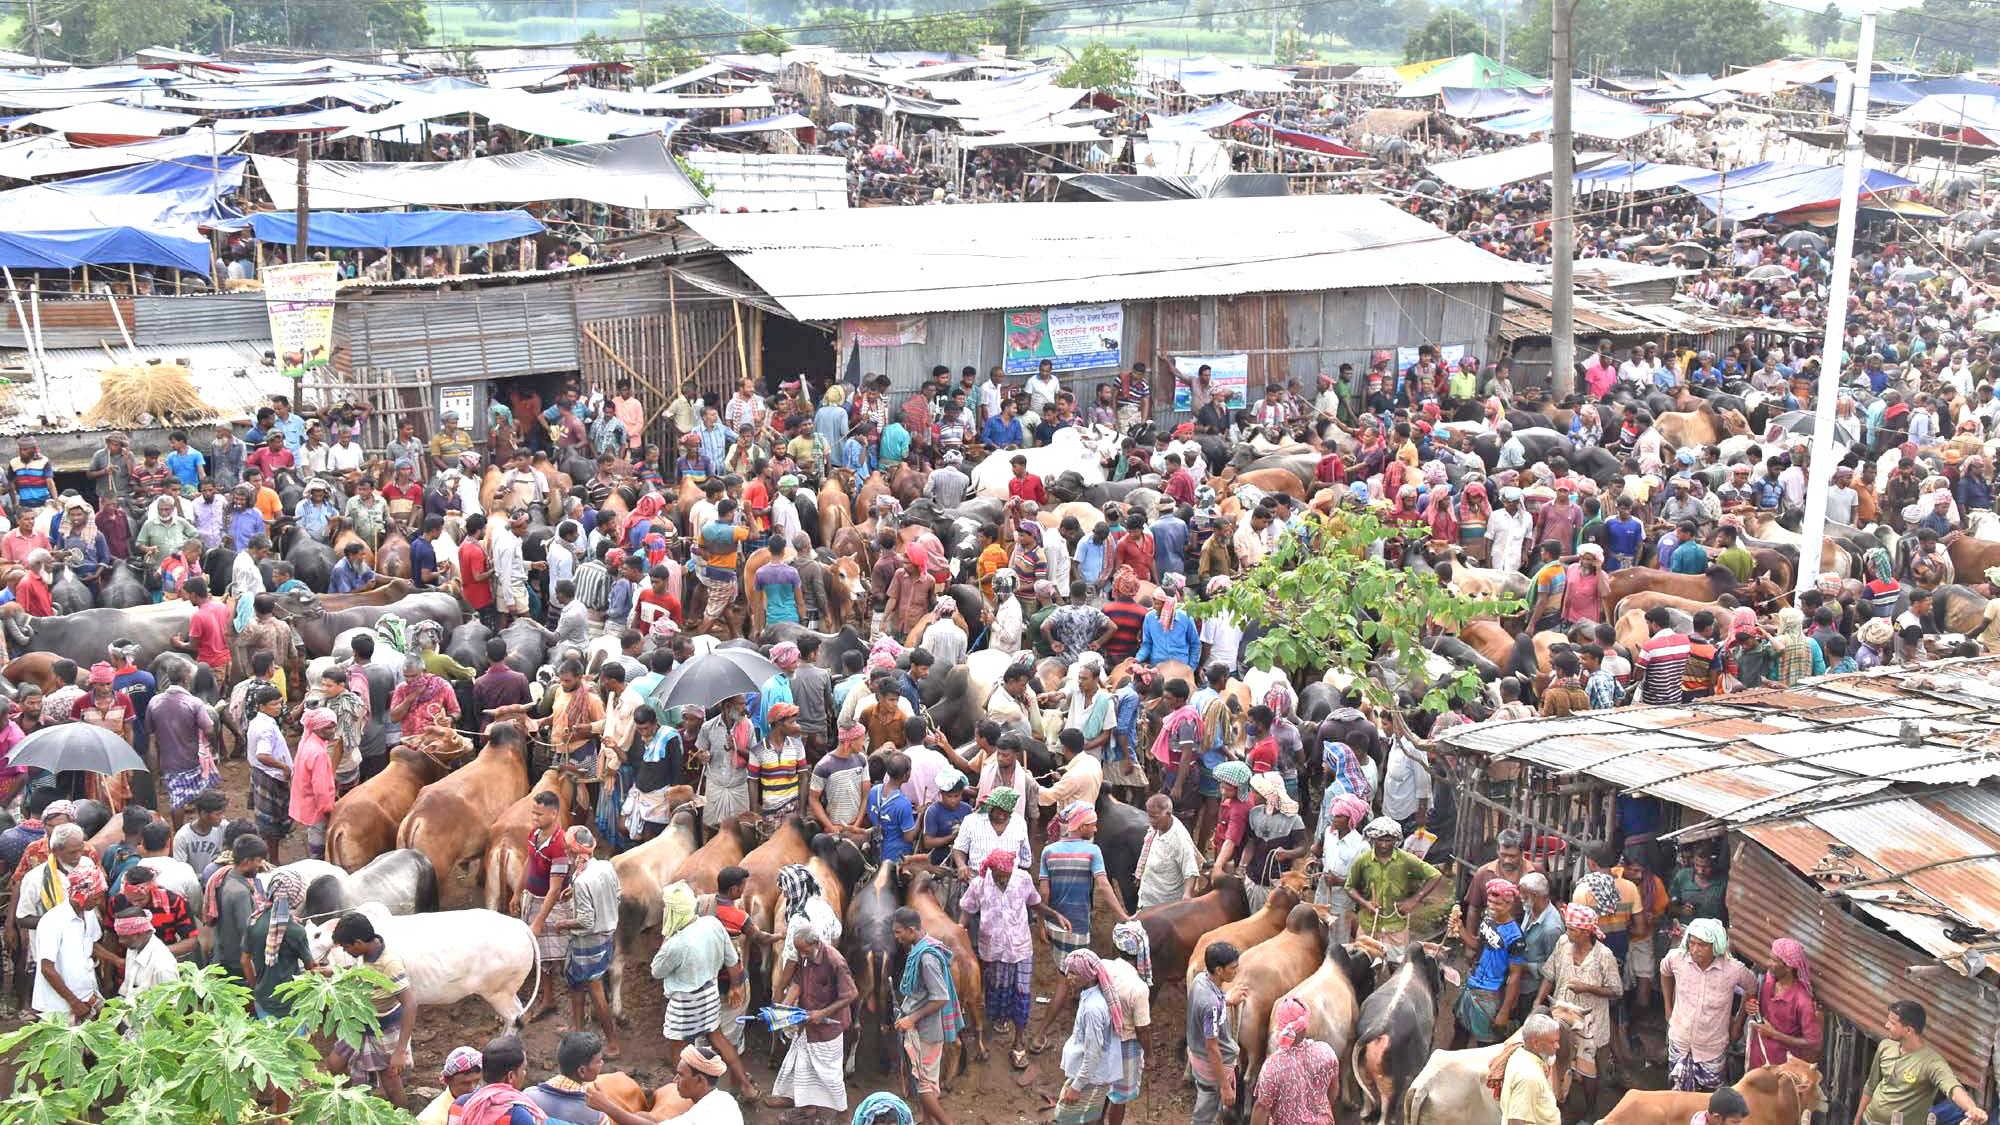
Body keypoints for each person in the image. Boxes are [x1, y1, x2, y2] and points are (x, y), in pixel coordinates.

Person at [652, 882, 758, 1100]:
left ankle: (685, 1092)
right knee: (719, 1039)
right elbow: (732, 959)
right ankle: (747, 1087)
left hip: (684, 1003)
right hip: (710, 995)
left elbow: (656, 970)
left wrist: (666, 937)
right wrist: (736, 985)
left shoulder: (675, 943)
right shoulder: (712, 924)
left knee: (678, 1048)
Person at [958, 847, 1050, 1068]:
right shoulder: (979, 884)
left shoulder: (1022, 879)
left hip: (1020, 948)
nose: (1002, 881)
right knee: (996, 991)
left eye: (1005, 877)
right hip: (993, 949)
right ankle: (999, 1019)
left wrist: (1052, 917)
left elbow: (1035, 904)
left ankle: (1018, 1044)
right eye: (999, 877)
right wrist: (958, 930)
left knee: (1022, 994)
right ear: (990, 871)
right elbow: (967, 910)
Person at [767, 921, 858, 1124]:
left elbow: (851, 994)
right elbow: (798, 983)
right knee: (804, 1067)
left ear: (816, 943)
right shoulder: (805, 956)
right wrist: (783, 1008)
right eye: (799, 950)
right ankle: (806, 1109)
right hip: (808, 1025)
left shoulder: (835, 961)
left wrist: (822, 1013)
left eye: (804, 950)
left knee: (830, 1074)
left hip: (828, 1028)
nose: (801, 954)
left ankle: (843, 1114)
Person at [1531, 905, 1620, 1112]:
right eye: (1568, 928)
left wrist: (1587, 988)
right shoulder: (1563, 943)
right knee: (1559, 1062)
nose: (1567, 932)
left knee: (1588, 1067)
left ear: (1586, 932)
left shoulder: (1603, 956)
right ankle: (1562, 1104)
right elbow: (1549, 975)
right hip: (1561, 1017)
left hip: (1590, 1023)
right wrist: (1538, 1002)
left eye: (1572, 929)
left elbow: (1616, 990)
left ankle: (1590, 1110)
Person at [324, 910, 414, 1107]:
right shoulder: (366, 954)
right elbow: (362, 972)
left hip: (384, 1028)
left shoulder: (390, 963)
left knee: (391, 1082)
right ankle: (354, 1102)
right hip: (360, 1023)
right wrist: (333, 972)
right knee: (334, 1064)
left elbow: (410, 1004)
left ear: (358, 943)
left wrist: (400, 1051)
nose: (346, 952)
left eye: (346, 947)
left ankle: (404, 1119)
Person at [1660, 917, 1755, 1093]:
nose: (1695, 950)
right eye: (1692, 943)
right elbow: (1664, 972)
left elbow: (1752, 987)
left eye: (1702, 945)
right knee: (1676, 1094)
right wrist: (1668, 1007)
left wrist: (1738, 1023)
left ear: (1716, 946)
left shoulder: (1734, 970)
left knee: (1710, 1097)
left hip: (1712, 1047)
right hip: (1679, 1040)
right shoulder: (1676, 959)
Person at [1857, 1000, 1990, 1125]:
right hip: (1868, 1120)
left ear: (1908, 1030)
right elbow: (1871, 1085)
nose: (1886, 1025)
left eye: (1892, 1023)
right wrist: (1858, 1119)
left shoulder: (1931, 1062)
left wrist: (1972, 1108)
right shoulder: (1886, 1046)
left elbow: (1953, 1088)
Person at [892, 906, 962, 1125]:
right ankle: (926, 1121)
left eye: (898, 932)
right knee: (923, 1078)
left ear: (912, 930)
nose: (896, 937)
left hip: (926, 1030)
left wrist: (911, 1018)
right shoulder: (922, 946)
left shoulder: (927, 959)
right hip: (921, 1027)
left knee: (923, 1085)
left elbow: (940, 997)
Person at [560, 825, 622, 1058]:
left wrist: (562, 924)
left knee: (595, 990)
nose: (565, 852)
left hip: (588, 941)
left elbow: (585, 921)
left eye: (567, 848)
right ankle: (576, 1030)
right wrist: (572, 893)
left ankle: (613, 1043)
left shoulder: (582, 880)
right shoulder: (605, 866)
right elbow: (617, 894)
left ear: (576, 852)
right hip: (606, 936)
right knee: (575, 982)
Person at [1054, 949, 1127, 1125]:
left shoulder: (1093, 1008)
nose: (1069, 977)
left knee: (1065, 1118)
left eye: (1074, 973)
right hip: (1092, 1075)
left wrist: (1077, 1086)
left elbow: (1093, 1053)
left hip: (1091, 1078)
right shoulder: (1093, 996)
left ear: (1087, 976)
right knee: (1088, 1119)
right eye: (1069, 972)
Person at [1453, 878, 1526, 1046]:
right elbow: (1478, 944)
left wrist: (1504, 1011)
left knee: (1485, 1043)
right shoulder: (1488, 919)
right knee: (1459, 1031)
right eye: (1490, 902)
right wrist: (1460, 928)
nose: (1492, 907)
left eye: (1498, 904)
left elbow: (1515, 975)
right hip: (1471, 984)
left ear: (1509, 905)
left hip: (1490, 995)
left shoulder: (1515, 936)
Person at [32, 858, 106, 1024]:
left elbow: (92, 945)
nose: (99, 902)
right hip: (59, 1005)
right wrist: (74, 1001)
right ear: (81, 895)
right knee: (66, 1047)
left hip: (86, 995)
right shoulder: (52, 921)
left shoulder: (89, 913)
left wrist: (116, 961)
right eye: (96, 897)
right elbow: (47, 969)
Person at [1346, 817, 1443, 939]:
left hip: (1396, 927)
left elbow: (1435, 875)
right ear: (1373, 839)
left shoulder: (1406, 859)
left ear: (1396, 840)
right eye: (1380, 840)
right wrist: (1365, 903)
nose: (1384, 845)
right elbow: (1349, 887)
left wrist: (1414, 900)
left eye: (1388, 840)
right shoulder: (1362, 861)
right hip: (1368, 926)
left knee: (1395, 959)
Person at [1251, 996, 1338, 1125]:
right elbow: (1334, 1089)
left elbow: (1262, 1108)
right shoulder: (1326, 1052)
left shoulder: (1273, 1066)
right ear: (1305, 1025)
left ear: (1281, 1027)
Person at [1188, 941, 1245, 1125]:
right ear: (1219, 970)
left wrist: (1226, 1001)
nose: (1236, 971)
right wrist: (1225, 1086)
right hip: (1211, 1070)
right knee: (1204, 1116)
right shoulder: (1211, 1005)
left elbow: (1207, 1007)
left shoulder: (1200, 980)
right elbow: (1212, 1047)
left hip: (1198, 1059)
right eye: (1233, 968)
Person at [1747, 937, 1821, 1068]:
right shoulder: (1768, 982)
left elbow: (1813, 1042)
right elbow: (1761, 1015)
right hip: (1757, 1059)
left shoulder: (1802, 1001)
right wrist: (1752, 1009)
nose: (1768, 963)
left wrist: (1774, 1035)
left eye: (1774, 960)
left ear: (1788, 967)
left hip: (1782, 1069)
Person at [1132, 793, 1201, 911]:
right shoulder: (1157, 828)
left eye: (1154, 817)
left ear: (1168, 814)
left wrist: (1187, 895)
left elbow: (1191, 871)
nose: (1150, 820)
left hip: (1166, 906)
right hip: (1148, 898)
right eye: (1149, 816)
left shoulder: (1179, 839)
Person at [1498, 1013, 1566, 1125]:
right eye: (1552, 1042)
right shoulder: (1529, 1077)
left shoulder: (1520, 1053)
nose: (1557, 1046)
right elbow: (1516, 1121)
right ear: (1535, 1043)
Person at [418, 1048, 484, 1125]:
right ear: (448, 1080)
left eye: (476, 1081)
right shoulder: (433, 1119)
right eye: (464, 1083)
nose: (472, 1088)